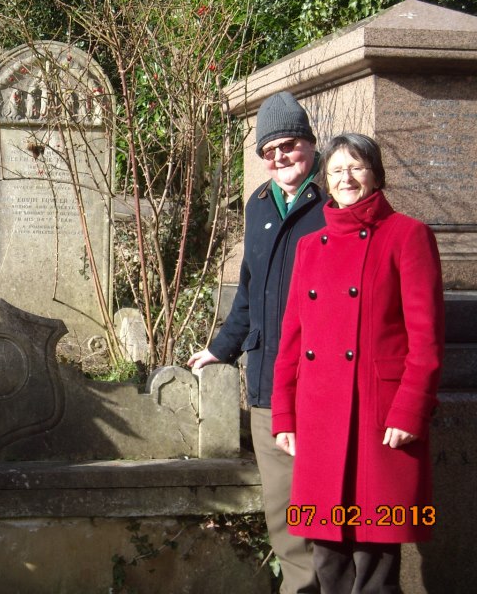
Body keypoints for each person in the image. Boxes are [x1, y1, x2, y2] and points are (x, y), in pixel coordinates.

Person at [272, 133, 443, 592]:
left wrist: (410, 410)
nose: (346, 178)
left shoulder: (409, 235)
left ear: (375, 173)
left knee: (375, 564)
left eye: (356, 167)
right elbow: (292, 339)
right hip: (319, 419)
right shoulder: (310, 245)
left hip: (379, 420)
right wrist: (285, 415)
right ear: (325, 180)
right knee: (327, 560)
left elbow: (425, 340)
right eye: (336, 170)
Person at [187, 91, 324, 593]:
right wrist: (222, 347)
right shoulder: (260, 204)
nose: (279, 158)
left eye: (288, 145)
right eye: (269, 152)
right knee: (285, 519)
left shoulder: (336, 201)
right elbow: (249, 288)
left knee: (333, 519)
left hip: (322, 386)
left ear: (310, 144)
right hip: (268, 385)